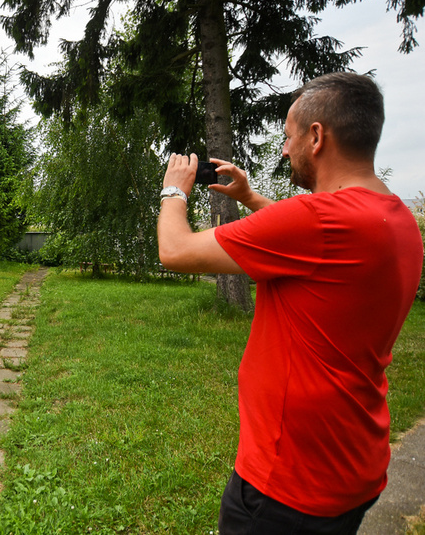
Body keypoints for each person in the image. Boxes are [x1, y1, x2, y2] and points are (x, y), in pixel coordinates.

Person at [157, 72, 424, 534]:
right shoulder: (395, 218)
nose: (284, 149)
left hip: (287, 485)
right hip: (354, 464)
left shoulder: (315, 220)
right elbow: (315, 251)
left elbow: (175, 251)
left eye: (287, 136)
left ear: (317, 136)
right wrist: (251, 198)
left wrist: (174, 189)